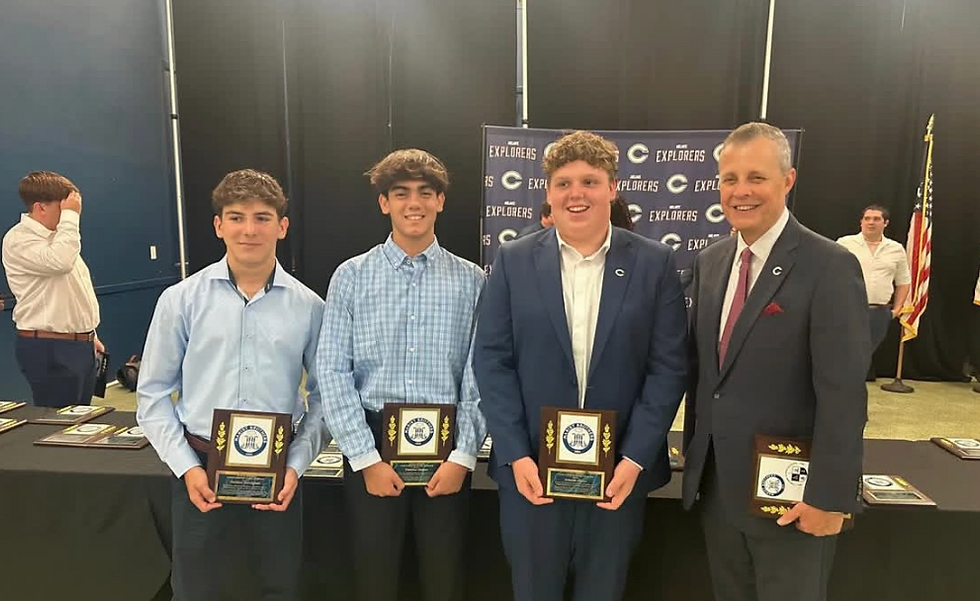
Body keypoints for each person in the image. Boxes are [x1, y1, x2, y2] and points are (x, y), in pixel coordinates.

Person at [474, 130, 688, 601]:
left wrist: (634, 458)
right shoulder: (511, 261)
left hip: (618, 476)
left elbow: (668, 368)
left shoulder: (655, 263)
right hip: (531, 473)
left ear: (613, 189)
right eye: (564, 183)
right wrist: (514, 453)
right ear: (548, 193)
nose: (577, 194)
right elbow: (492, 361)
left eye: (590, 182)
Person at [682, 122, 870, 601]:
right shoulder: (712, 262)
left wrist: (830, 496)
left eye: (757, 177)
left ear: (788, 181)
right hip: (719, 491)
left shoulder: (829, 265)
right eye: (729, 178)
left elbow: (844, 394)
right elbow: (708, 376)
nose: (740, 191)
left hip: (792, 498)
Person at [136, 169, 326, 601]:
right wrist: (186, 467)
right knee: (198, 590)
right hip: (200, 472)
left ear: (282, 226)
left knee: (276, 587)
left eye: (262, 217)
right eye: (236, 217)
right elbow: (151, 395)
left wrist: (296, 466)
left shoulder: (310, 306)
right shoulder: (181, 300)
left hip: (278, 477)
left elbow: (324, 397)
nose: (249, 229)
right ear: (219, 225)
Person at [316, 149, 485, 601]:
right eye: (401, 193)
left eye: (425, 193)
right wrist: (364, 457)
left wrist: (464, 455)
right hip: (371, 444)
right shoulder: (350, 276)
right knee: (374, 576)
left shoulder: (472, 280)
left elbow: (479, 375)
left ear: (441, 201)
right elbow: (332, 370)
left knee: (444, 576)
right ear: (383, 202)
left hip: (447, 448)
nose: (415, 203)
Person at [2, 171, 103, 407]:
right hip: (50, 348)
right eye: (64, 208)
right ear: (41, 207)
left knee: (81, 421)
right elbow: (60, 262)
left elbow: (73, 291)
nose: (71, 214)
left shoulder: (61, 239)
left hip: (80, 345)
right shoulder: (18, 239)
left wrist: (89, 334)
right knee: (58, 427)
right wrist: (71, 218)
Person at [836, 205, 911, 357]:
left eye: (876, 219)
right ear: (861, 222)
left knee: (865, 356)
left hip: (879, 313)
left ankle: (856, 381)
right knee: (843, 354)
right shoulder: (845, 244)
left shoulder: (896, 249)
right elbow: (830, 275)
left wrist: (896, 310)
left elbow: (903, 281)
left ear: (885, 223)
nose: (871, 222)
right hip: (848, 310)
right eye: (867, 218)